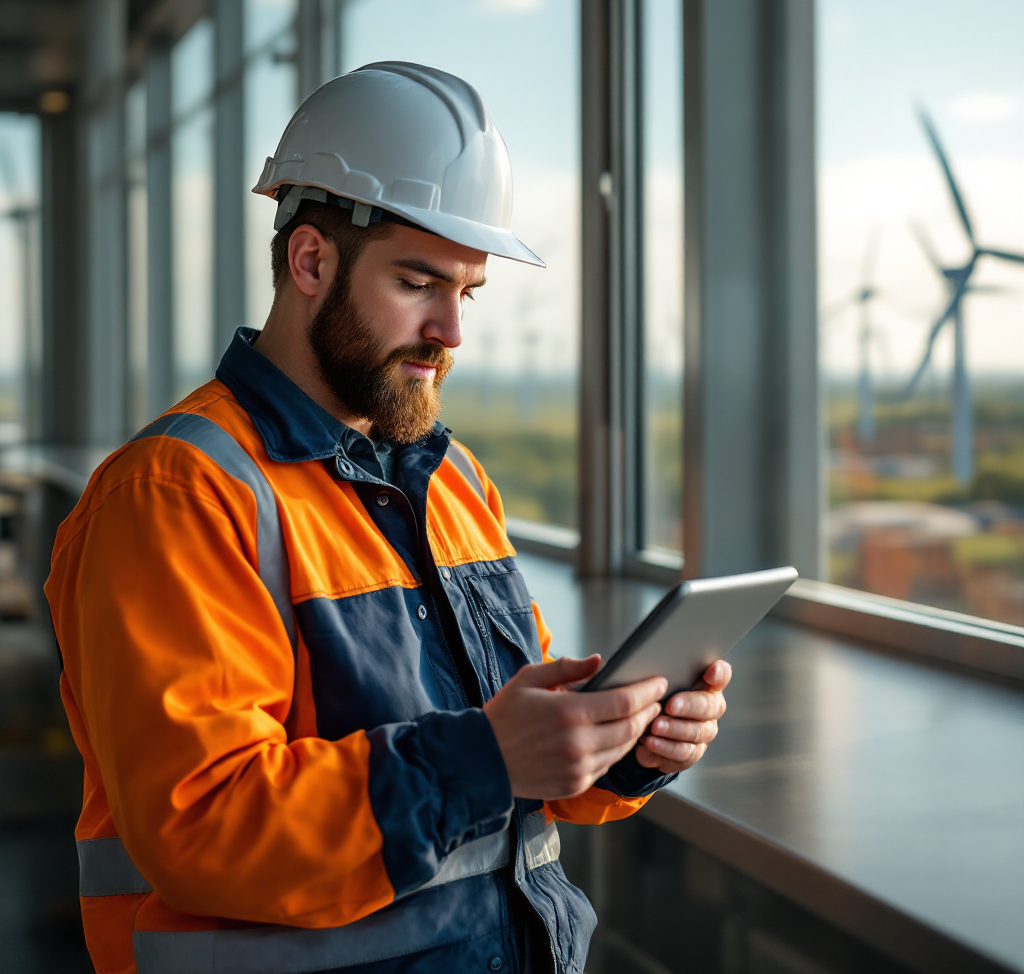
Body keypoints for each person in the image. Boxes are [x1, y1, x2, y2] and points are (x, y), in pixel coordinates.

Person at [46, 62, 730, 974]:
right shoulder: (177, 493)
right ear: (310, 261)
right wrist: (488, 758)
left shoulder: (453, 483)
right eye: (419, 283)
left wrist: (622, 751)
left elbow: (521, 778)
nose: (452, 330)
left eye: (467, 292)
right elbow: (203, 824)